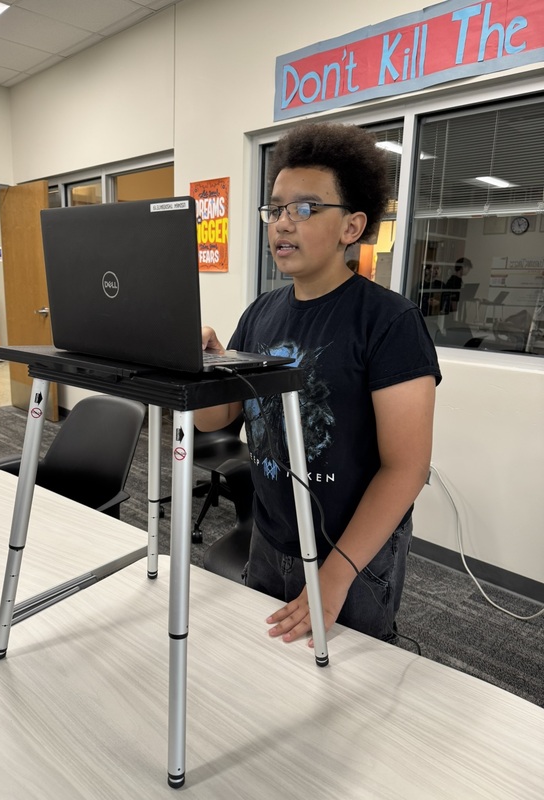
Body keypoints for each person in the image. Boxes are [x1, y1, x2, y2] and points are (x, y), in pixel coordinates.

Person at [195, 122, 441, 646]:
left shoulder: (389, 322)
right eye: (276, 208)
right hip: (271, 534)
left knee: (347, 691)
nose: (283, 224)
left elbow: (407, 468)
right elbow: (217, 419)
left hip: (352, 553)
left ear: (351, 227)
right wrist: (204, 368)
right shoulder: (260, 314)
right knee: (269, 672)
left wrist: (335, 575)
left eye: (305, 208)